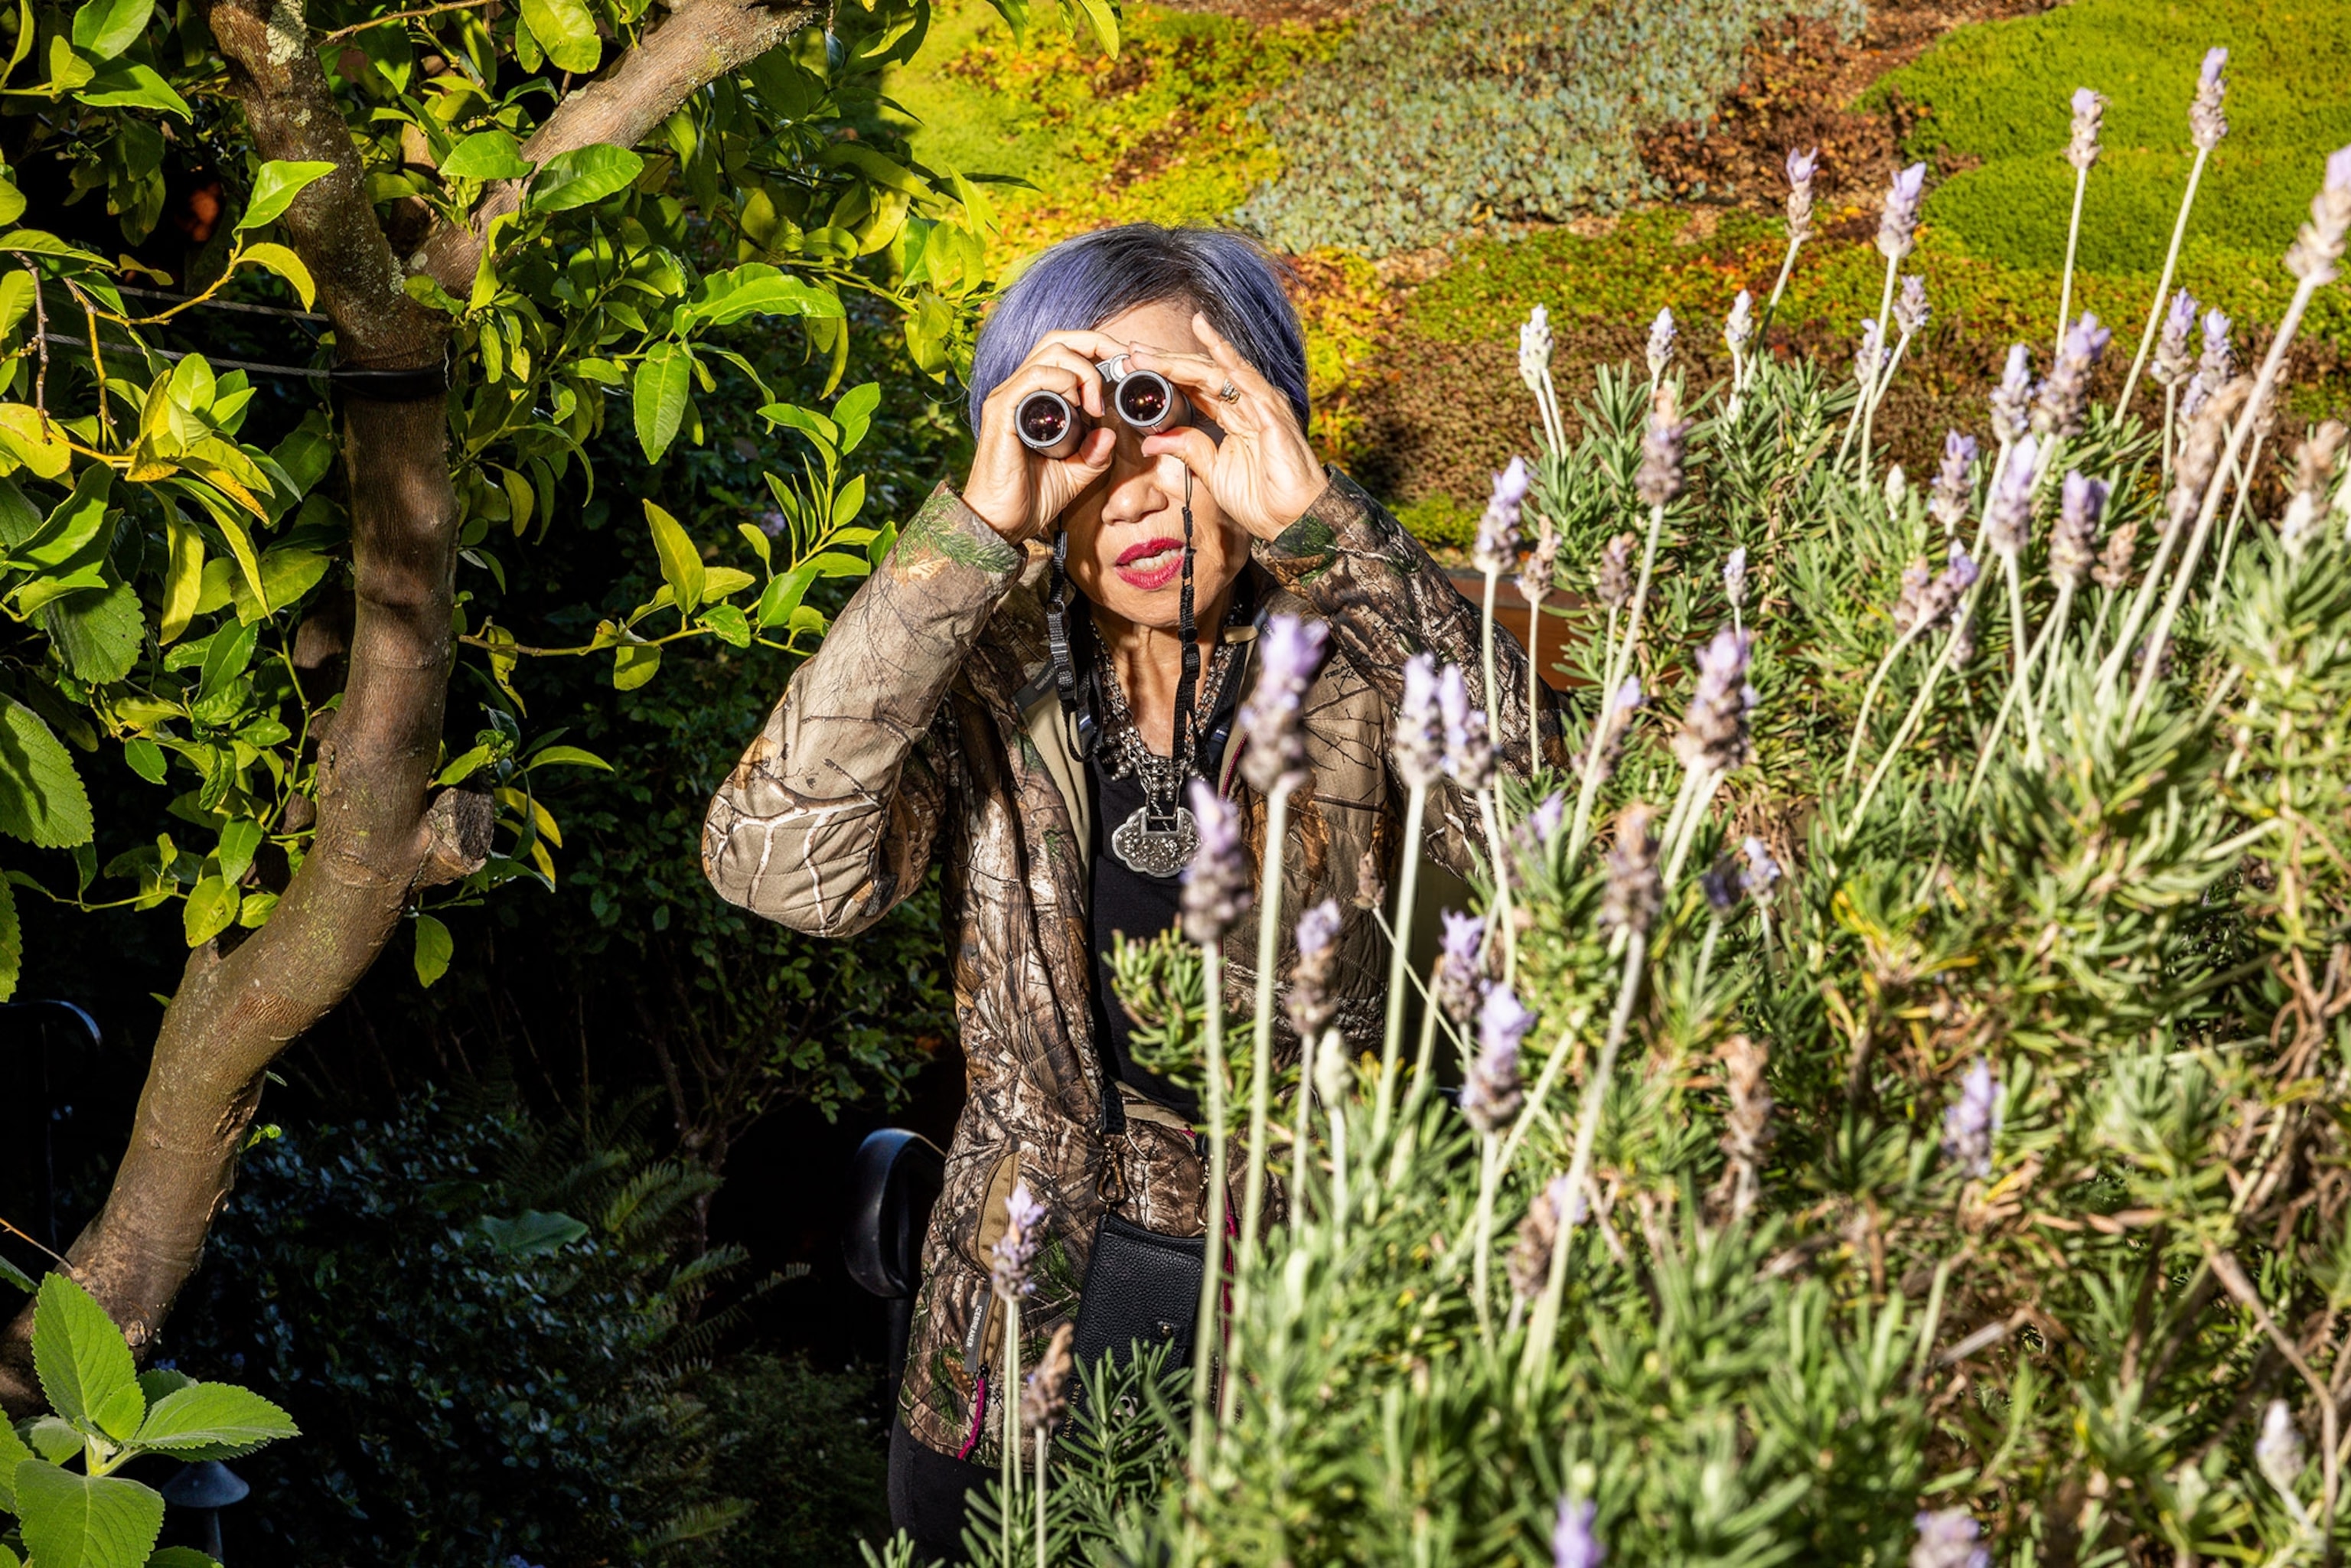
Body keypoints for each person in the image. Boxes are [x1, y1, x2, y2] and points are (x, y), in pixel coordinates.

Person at [703, 223, 1555, 1557]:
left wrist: (1331, 530)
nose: (1147, 492)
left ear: (1263, 425)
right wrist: (971, 539)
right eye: (1085, 427)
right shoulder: (981, 679)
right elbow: (774, 864)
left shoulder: (1370, 666)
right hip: (1010, 1357)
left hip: (1312, 1365)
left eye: (1181, 420)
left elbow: (1573, 839)